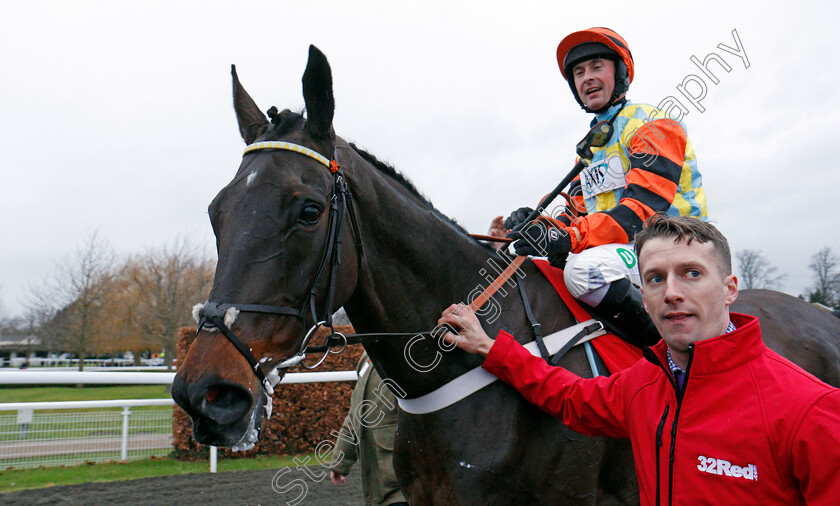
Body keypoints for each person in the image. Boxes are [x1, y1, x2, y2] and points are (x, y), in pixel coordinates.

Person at [443, 214, 840, 504]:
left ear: (730, 288)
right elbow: (568, 396)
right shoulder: (641, 385)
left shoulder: (813, 410)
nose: (671, 293)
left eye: (691, 274)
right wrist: (492, 349)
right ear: (642, 296)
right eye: (655, 279)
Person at [490, 28, 708, 347]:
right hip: (627, 250)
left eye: (595, 67)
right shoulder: (592, 148)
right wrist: (538, 228)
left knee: (582, 271)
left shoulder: (653, 124)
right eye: (579, 72)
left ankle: (673, 351)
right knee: (541, 267)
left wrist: (568, 237)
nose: (587, 77)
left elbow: (642, 213)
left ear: (619, 73)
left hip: (675, 246)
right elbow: (578, 214)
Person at [330, 351, 407, 506]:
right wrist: (340, 461)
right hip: (378, 487)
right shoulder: (367, 358)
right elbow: (355, 415)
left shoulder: (410, 357)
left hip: (403, 488)